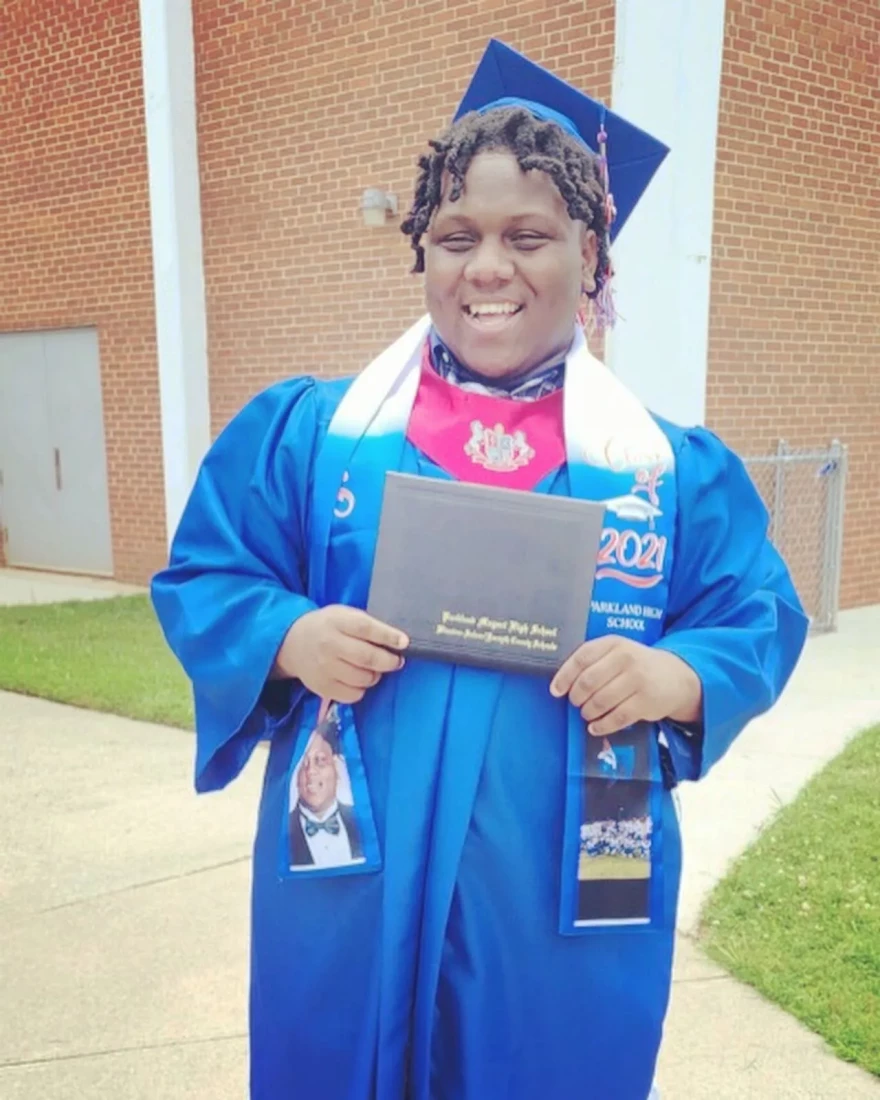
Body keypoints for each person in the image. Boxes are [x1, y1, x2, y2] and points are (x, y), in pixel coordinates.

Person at [151, 39, 808, 1100]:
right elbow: (209, 571)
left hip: (559, 881)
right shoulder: (319, 435)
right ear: (422, 253)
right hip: (351, 876)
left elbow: (754, 611)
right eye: (455, 234)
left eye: (528, 235)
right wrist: (288, 634)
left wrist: (675, 675)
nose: (487, 265)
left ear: (591, 259)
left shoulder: (662, 468)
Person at [289, 711, 364, 869]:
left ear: (336, 767)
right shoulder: (281, 832)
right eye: (303, 763)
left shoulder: (364, 820)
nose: (310, 771)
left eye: (320, 761)